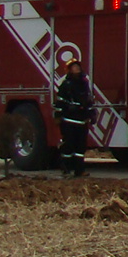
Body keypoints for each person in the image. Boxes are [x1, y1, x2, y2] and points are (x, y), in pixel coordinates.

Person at [53, 48, 91, 178]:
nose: (77, 69)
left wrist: (91, 115)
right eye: (74, 67)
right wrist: (58, 116)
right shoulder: (66, 85)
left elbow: (88, 100)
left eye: (78, 67)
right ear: (69, 70)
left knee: (80, 148)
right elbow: (60, 102)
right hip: (69, 120)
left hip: (82, 120)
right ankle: (66, 170)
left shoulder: (84, 84)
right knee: (68, 146)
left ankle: (79, 170)